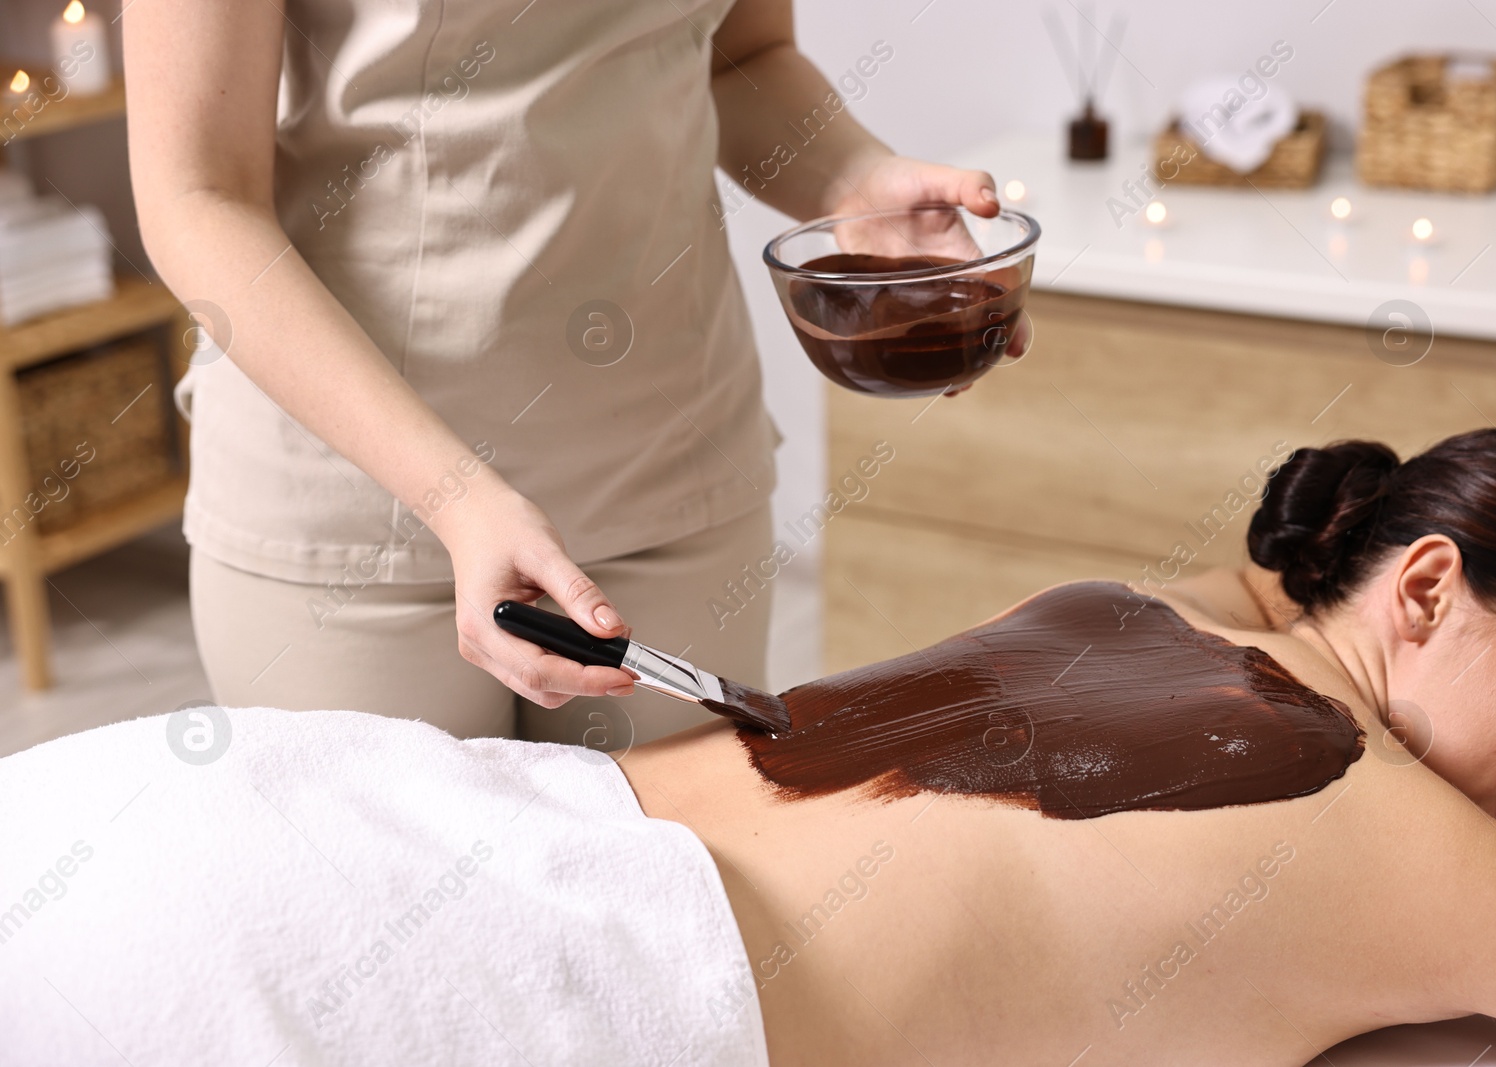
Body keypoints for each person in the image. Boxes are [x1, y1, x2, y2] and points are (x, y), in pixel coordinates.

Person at [3, 429, 1496, 1065]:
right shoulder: (1411, 847)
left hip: (289, 812)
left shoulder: (1138, 607)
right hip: (502, 991)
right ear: (1432, 583)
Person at [124, 0, 1020, 743]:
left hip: (672, 472)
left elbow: (737, 53)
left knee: (671, 923)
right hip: (360, 520)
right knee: (406, 942)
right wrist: (455, 495)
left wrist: (852, 179)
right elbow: (196, 196)